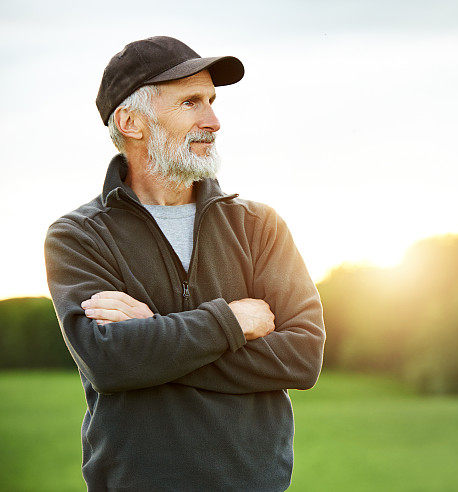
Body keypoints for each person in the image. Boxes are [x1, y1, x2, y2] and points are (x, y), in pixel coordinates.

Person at [43, 36, 326, 491]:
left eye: (212, 101)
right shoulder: (77, 235)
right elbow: (110, 361)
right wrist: (231, 322)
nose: (213, 121)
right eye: (191, 102)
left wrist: (155, 334)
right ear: (130, 122)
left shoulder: (259, 225)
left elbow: (303, 357)